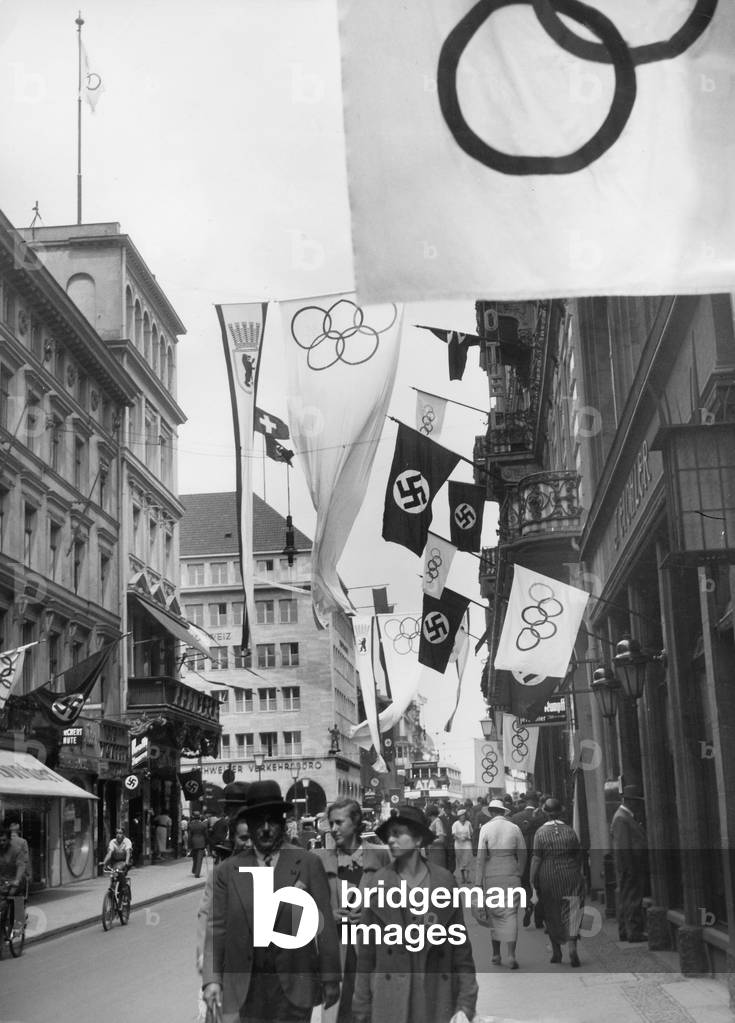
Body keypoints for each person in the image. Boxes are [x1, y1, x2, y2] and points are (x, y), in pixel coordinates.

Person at [201, 779, 341, 1023]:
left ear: (282, 823)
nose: (265, 829)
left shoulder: (307, 864)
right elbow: (217, 928)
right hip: (248, 986)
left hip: (294, 983)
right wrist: (212, 979)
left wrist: (330, 977)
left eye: (272, 821)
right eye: (258, 822)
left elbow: (325, 926)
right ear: (249, 825)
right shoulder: (227, 872)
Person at [352, 805, 478, 1023]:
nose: (391, 840)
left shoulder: (444, 881)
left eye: (398, 833)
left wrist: (466, 1003)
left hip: (437, 998)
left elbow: (462, 951)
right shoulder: (377, 884)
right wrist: (362, 1006)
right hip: (390, 1001)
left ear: (418, 839)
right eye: (389, 835)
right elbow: (366, 955)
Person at [320, 798, 390, 1023]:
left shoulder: (383, 856)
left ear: (356, 822)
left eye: (339, 822)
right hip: (336, 957)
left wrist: (374, 916)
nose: (333, 829)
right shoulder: (319, 860)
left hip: (374, 955)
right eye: (331, 823)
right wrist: (327, 917)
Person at [529, 798, 585, 967]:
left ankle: (557, 952)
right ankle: (573, 945)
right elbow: (578, 855)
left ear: (545, 813)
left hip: (549, 874)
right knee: (574, 908)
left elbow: (537, 859)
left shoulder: (540, 833)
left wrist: (532, 879)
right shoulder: (570, 831)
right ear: (560, 812)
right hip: (571, 873)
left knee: (551, 911)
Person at [475, 798, 526, 970]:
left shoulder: (486, 829)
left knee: (495, 915)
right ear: (503, 812)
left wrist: (477, 883)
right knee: (511, 914)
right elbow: (523, 853)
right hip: (511, 872)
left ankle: (496, 954)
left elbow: (480, 858)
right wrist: (520, 871)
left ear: (491, 812)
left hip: (492, 875)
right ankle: (511, 955)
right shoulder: (514, 828)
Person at [611, 785, 648, 943]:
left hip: (629, 866)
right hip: (629, 867)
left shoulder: (625, 816)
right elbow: (623, 847)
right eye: (636, 801)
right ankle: (633, 932)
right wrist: (630, 869)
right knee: (631, 899)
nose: (639, 805)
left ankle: (626, 931)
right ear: (630, 802)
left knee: (627, 899)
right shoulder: (622, 817)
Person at [509, 793, 545, 928]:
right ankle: (539, 919)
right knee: (539, 885)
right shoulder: (542, 817)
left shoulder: (515, 818)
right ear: (536, 803)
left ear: (525, 802)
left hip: (522, 858)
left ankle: (528, 906)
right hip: (539, 856)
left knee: (524, 885)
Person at [451, 808, 474, 884]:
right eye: (461, 816)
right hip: (458, 844)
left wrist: (467, 837)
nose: (463, 817)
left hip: (467, 843)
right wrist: (459, 838)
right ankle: (462, 877)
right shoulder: (455, 824)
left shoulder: (468, 823)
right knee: (460, 860)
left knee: (467, 859)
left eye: (464, 816)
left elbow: (471, 832)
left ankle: (468, 877)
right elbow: (454, 835)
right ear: (459, 817)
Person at [425, 804, 447, 869]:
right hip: (433, 850)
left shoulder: (437, 821)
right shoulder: (434, 821)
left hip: (437, 850)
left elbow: (441, 839)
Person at [188, 811, 209, 878]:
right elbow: (206, 835)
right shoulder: (203, 825)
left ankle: (194, 870)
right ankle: (197, 873)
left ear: (193, 817)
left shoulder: (191, 825)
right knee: (199, 859)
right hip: (201, 842)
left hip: (193, 842)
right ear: (199, 817)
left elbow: (189, 836)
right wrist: (206, 843)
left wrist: (189, 845)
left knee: (194, 858)